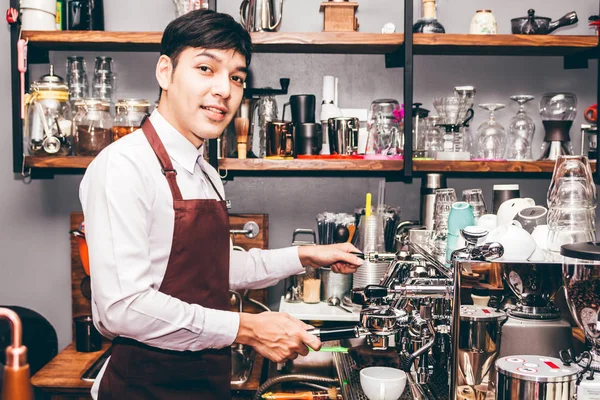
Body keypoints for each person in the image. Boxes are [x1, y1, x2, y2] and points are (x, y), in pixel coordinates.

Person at [79, 9, 363, 400]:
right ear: (165, 72)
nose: (224, 91)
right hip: (144, 389)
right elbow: (122, 309)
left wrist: (307, 255)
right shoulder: (123, 166)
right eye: (205, 68)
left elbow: (217, 266)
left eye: (236, 77)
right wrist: (246, 328)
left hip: (203, 383)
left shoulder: (206, 172)